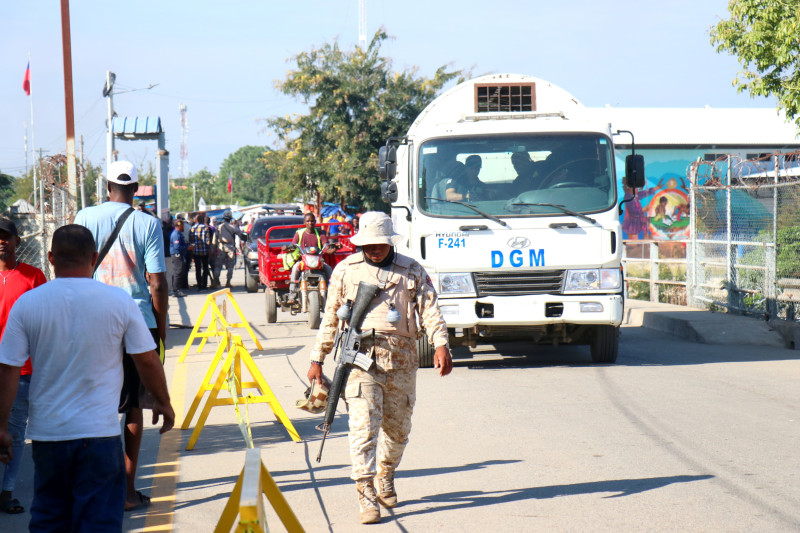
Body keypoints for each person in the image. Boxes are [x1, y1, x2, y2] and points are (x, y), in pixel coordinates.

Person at [0, 224, 174, 532]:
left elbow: (8, 370)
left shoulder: (27, 305)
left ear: (51, 258)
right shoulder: (118, 302)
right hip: (100, 436)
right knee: (99, 523)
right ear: (94, 257)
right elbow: (146, 359)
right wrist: (162, 401)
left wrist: (1, 427)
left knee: (50, 519)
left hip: (49, 437)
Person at [307, 211, 453, 525]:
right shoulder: (346, 271)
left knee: (398, 432)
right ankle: (366, 495)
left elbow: (430, 308)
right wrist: (317, 359)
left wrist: (441, 343)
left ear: (390, 243)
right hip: (360, 364)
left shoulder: (411, 270)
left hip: (401, 364)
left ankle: (385, 474)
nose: (375, 249)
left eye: (381, 244)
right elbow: (330, 318)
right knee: (363, 432)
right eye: (369, 244)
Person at [73, 160, 169, 512]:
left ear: (106, 185)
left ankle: (96, 488)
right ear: (136, 188)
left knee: (95, 406)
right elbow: (156, 281)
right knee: (131, 408)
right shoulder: (148, 224)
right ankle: (128, 492)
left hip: (92, 319)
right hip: (136, 321)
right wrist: (159, 330)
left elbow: (73, 268)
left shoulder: (85, 217)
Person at [0, 219, 46, 515]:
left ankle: (7, 491)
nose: (1, 242)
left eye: (6, 237)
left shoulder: (33, 277)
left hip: (21, 370)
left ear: (18, 241)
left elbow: (45, 323)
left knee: (15, 433)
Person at [283, 212, 334, 303]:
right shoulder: (299, 233)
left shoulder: (320, 233)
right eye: (308, 221)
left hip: (318, 261)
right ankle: (292, 295)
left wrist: (330, 249)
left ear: (315, 222)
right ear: (304, 222)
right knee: (295, 269)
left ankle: (333, 295)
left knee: (329, 269)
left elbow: (326, 245)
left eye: (312, 221)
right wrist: (287, 248)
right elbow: (293, 246)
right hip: (303, 262)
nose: (310, 223)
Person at [213, 209, 246, 288]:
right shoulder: (233, 227)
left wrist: (213, 248)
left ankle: (215, 282)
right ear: (230, 218)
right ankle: (228, 282)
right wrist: (248, 239)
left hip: (221, 247)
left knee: (218, 265)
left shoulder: (218, 227)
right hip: (230, 248)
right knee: (230, 266)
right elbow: (241, 235)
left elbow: (214, 239)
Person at [190, 214, 212, 290]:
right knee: (205, 268)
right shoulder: (206, 228)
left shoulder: (192, 228)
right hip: (204, 252)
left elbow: (191, 240)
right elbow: (208, 240)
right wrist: (209, 249)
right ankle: (204, 284)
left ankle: (199, 285)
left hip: (196, 252)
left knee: (198, 269)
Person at [169, 219, 189, 297]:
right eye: (183, 225)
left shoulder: (178, 234)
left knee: (178, 272)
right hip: (177, 255)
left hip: (178, 254)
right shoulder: (176, 234)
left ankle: (176, 289)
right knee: (178, 272)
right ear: (179, 225)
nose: (183, 227)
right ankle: (176, 290)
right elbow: (177, 247)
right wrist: (187, 247)